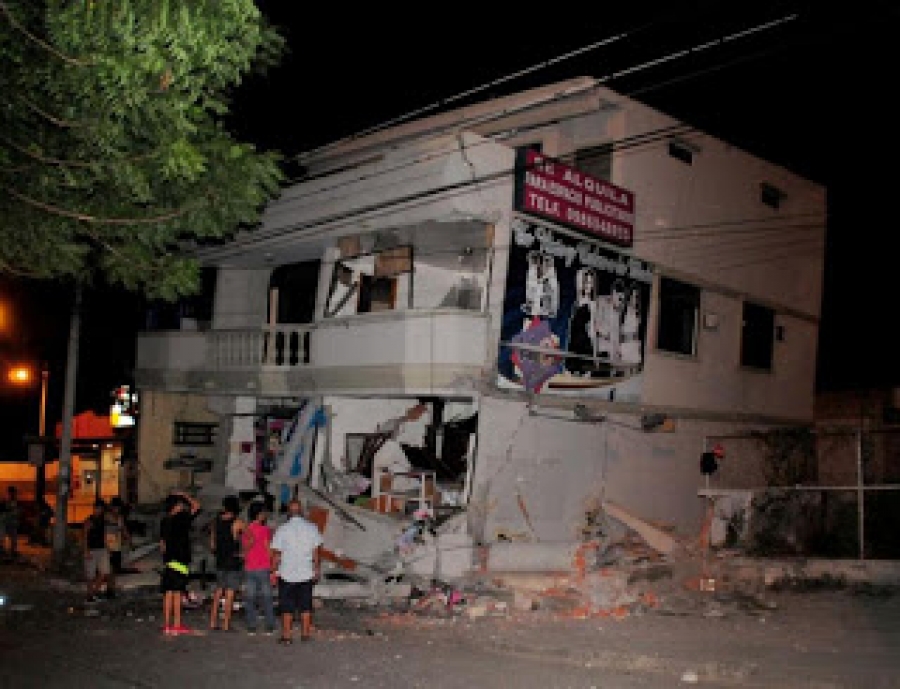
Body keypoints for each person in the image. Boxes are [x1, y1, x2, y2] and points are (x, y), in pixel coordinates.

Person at [270, 498, 322, 645]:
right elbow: (316, 551)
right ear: (301, 512)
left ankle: (287, 636)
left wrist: (273, 570)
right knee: (306, 605)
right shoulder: (312, 528)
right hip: (306, 572)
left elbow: (277, 554)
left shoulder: (282, 529)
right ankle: (305, 635)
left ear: (288, 512)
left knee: (287, 606)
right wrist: (316, 568)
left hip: (287, 573)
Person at [159, 490, 201, 636]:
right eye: (181, 504)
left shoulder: (165, 521)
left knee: (168, 594)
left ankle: (166, 625)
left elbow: (162, 544)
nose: (183, 506)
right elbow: (197, 506)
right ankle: (176, 624)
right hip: (180, 560)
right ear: (176, 505)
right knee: (177, 593)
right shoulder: (181, 518)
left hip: (169, 561)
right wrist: (185, 494)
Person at [209, 495, 244, 631]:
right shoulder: (237, 522)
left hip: (220, 560)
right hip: (233, 561)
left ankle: (213, 622)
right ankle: (226, 624)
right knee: (230, 593)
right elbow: (250, 538)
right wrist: (242, 552)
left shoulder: (215, 522)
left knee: (218, 592)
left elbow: (212, 545)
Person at [241, 500, 277, 636]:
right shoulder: (264, 530)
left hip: (250, 566)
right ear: (260, 514)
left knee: (250, 598)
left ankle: (251, 625)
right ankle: (270, 625)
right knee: (267, 598)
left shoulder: (246, 529)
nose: (265, 515)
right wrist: (273, 565)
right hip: (263, 566)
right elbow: (268, 549)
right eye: (264, 512)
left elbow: (245, 549)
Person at [83, 499, 110, 603]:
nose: (99, 510)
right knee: (90, 575)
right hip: (92, 549)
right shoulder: (89, 520)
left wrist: (107, 548)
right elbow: (85, 536)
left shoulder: (102, 520)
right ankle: (90, 595)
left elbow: (104, 535)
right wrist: (86, 550)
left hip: (102, 549)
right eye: (97, 508)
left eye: (100, 509)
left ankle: (93, 593)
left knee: (104, 572)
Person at [105, 497, 131, 598]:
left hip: (117, 547)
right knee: (109, 569)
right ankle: (109, 589)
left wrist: (128, 539)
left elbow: (123, 529)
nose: (117, 510)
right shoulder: (107, 517)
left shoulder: (119, 518)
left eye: (118, 508)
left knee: (114, 569)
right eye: (116, 507)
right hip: (108, 547)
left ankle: (111, 589)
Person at [3, 486, 20, 559]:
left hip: (12, 522)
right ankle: (7, 551)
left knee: (14, 538)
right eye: (12, 493)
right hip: (7, 522)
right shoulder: (7, 501)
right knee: (4, 537)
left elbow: (15, 512)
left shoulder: (14, 501)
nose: (14, 494)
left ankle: (12, 551)